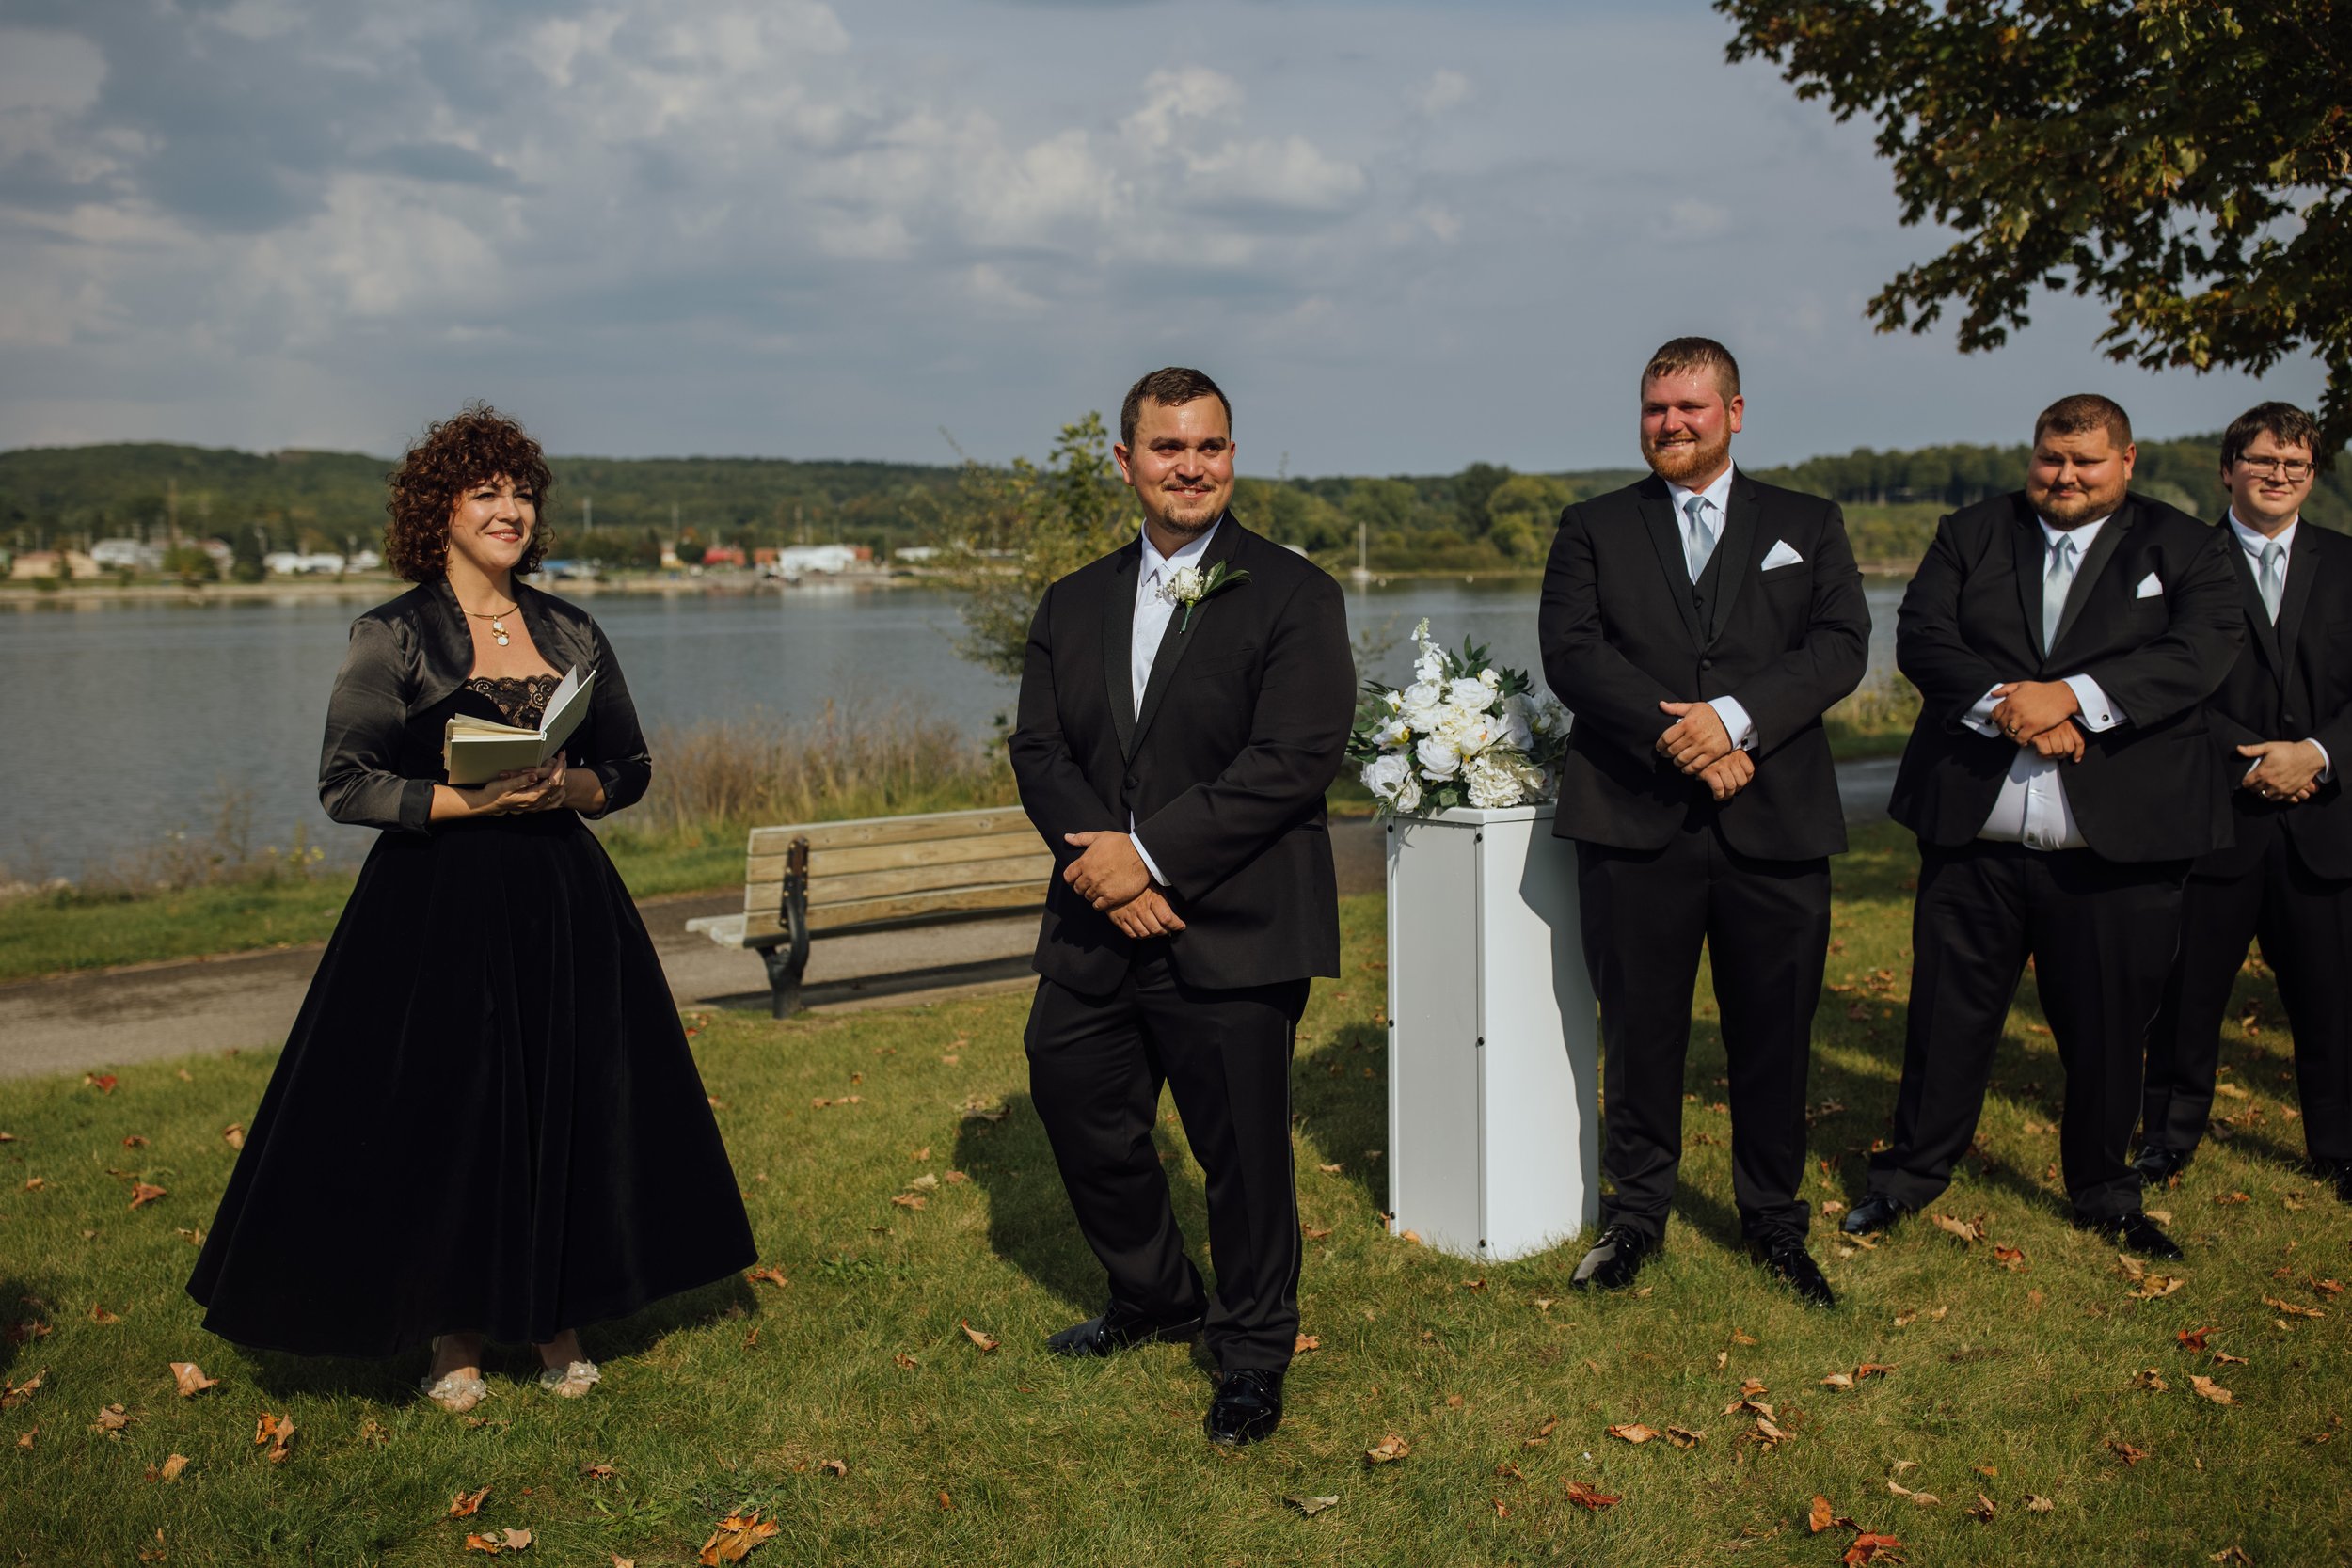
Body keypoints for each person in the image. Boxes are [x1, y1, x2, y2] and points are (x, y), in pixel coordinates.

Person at [187, 405, 755, 1408]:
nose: (509, 509)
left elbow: (629, 766)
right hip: (433, 906)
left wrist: (567, 786)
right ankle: (451, 1334)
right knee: (452, 1113)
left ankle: (556, 1319)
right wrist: (471, 799)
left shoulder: (572, 628)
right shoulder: (393, 633)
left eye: (521, 492)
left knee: (565, 1103)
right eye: (485, 492)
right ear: (438, 510)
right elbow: (346, 783)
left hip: (562, 903)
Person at [1008, 366, 1354, 1446]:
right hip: (1095, 917)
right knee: (1071, 1089)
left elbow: (1293, 757)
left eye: (1209, 446)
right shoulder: (1071, 601)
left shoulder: (1295, 593)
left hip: (1235, 922)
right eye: (1168, 447)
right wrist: (1103, 868)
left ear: (1232, 455)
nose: (1190, 467)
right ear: (1127, 461)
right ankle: (1155, 1293)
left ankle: (1251, 1349)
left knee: (1241, 1150)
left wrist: (1151, 859)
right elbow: (1039, 749)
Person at [1846, 394, 2242, 1259]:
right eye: (2049, 459)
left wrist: (2072, 699)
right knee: (1944, 1023)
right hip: (1973, 841)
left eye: (2085, 461)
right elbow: (1923, 637)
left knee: (2108, 1034)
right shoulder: (1971, 532)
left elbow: (2201, 650)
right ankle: (1909, 1178)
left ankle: (2104, 1191)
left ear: (2126, 461)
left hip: (2118, 848)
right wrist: (2014, 707)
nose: (2064, 477)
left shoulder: (2184, 545)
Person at [1538, 336, 1868, 1307]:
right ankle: (1635, 1215)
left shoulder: (1807, 522)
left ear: (1734, 412)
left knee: (1775, 1033)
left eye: (1689, 406)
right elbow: (1572, 652)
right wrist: (1679, 736)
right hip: (1634, 818)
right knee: (1640, 1033)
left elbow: (1842, 644)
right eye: (1655, 408)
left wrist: (1734, 718)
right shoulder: (1593, 526)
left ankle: (1773, 1220)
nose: (1671, 423)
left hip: (1777, 820)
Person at [2137, 403, 2352, 1199]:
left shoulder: (2348, 562)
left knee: (2334, 1001)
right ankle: (2166, 1139)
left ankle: (2340, 1145)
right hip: (2213, 816)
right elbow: (2160, 683)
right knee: (2186, 999)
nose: (2278, 475)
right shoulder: (2176, 565)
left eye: (2295, 464)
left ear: (2312, 476)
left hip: (2326, 819)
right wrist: (2250, 762)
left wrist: (2317, 755)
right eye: (2263, 460)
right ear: (2228, 469)